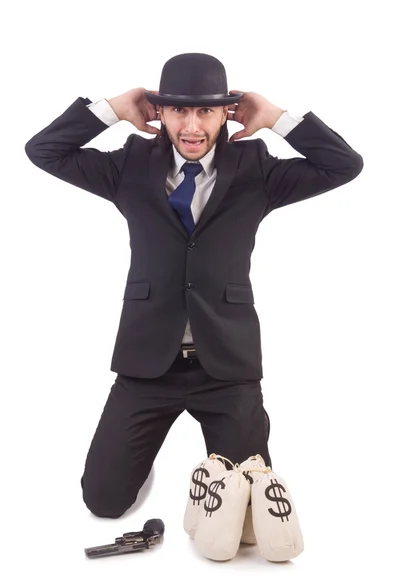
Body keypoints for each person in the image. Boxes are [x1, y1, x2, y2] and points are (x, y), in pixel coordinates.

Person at [24, 53, 363, 518]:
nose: (192, 126)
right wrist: (113, 108)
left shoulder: (256, 167)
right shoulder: (131, 165)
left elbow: (343, 165)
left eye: (205, 111)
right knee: (103, 502)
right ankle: (138, 470)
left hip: (226, 367)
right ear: (159, 112)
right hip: (147, 365)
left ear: (226, 113)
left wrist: (278, 119)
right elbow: (44, 151)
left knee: (250, 510)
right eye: (178, 110)